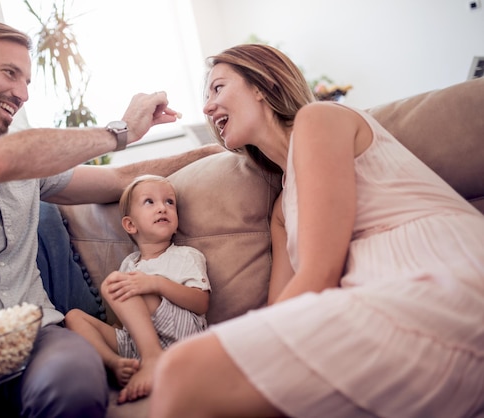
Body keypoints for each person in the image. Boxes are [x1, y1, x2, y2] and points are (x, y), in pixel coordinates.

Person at [0, 20, 221, 418]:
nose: (23, 93)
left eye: (28, 80)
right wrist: (118, 132)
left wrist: (206, 154)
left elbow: (118, 180)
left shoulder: (29, 169)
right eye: (10, 73)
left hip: (39, 341)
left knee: (74, 383)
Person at [149, 44, 484, 417]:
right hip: (372, 302)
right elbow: (282, 309)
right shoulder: (281, 210)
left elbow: (318, 274)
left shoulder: (320, 119)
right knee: (199, 376)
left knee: (182, 371)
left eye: (218, 89)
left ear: (263, 83)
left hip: (442, 279)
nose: (207, 107)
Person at [65, 174, 211, 405]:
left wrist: (155, 284)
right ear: (130, 225)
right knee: (73, 317)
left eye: (169, 202)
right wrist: (112, 333)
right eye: (150, 202)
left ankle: (153, 358)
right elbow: (125, 320)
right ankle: (116, 363)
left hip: (179, 333)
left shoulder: (185, 255)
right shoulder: (129, 265)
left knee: (123, 283)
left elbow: (201, 303)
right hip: (136, 345)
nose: (162, 208)